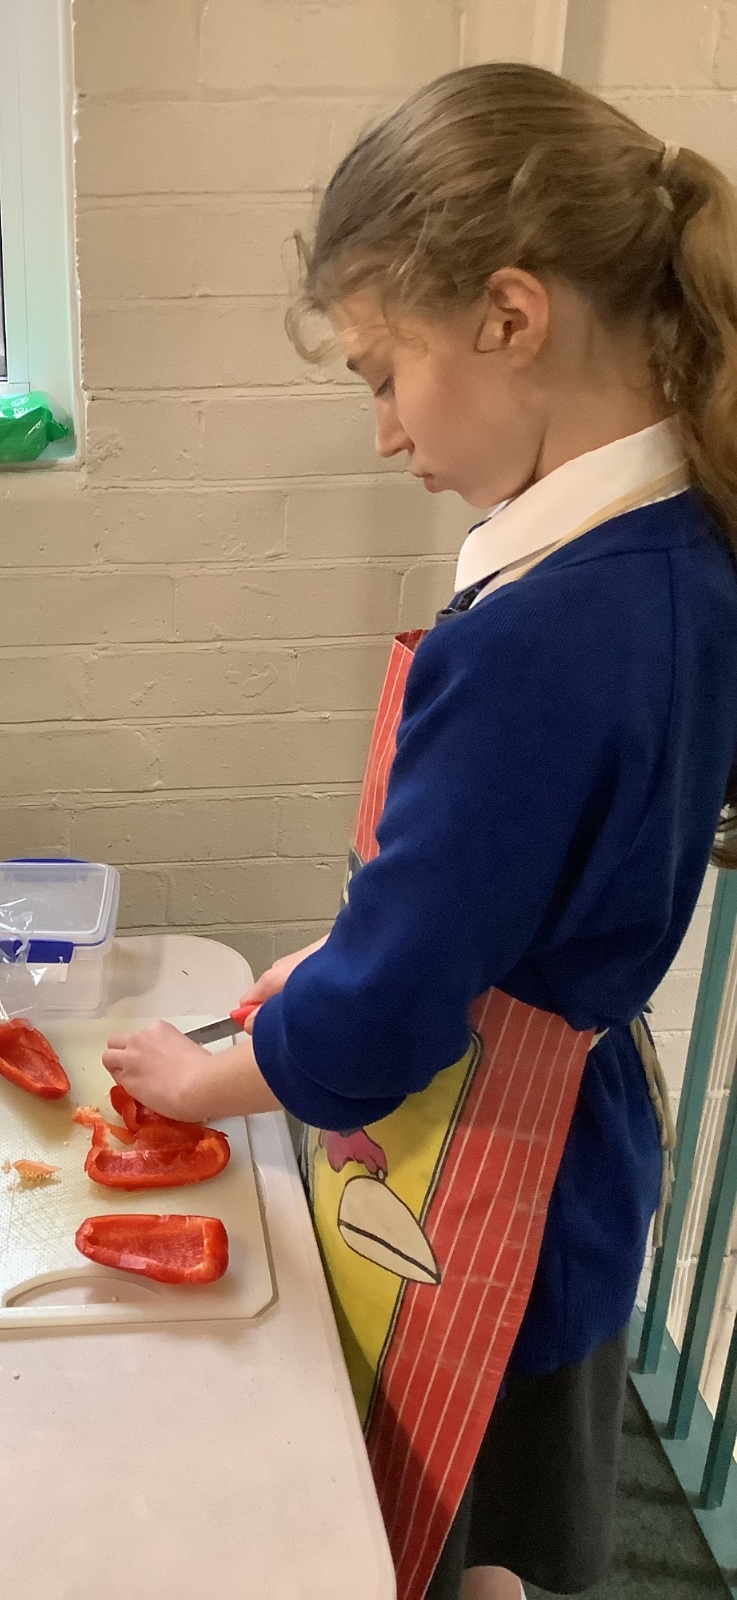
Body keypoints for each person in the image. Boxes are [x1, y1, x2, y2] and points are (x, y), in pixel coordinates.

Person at [101, 63, 737, 1600]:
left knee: (466, 1542)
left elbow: (390, 1017)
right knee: (522, 1517)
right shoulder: (686, 547)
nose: (387, 433)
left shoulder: (534, 635)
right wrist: (364, 944)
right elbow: (510, 883)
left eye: (385, 374)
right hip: (586, 1150)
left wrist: (208, 1078)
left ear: (511, 317)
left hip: (498, 1198)